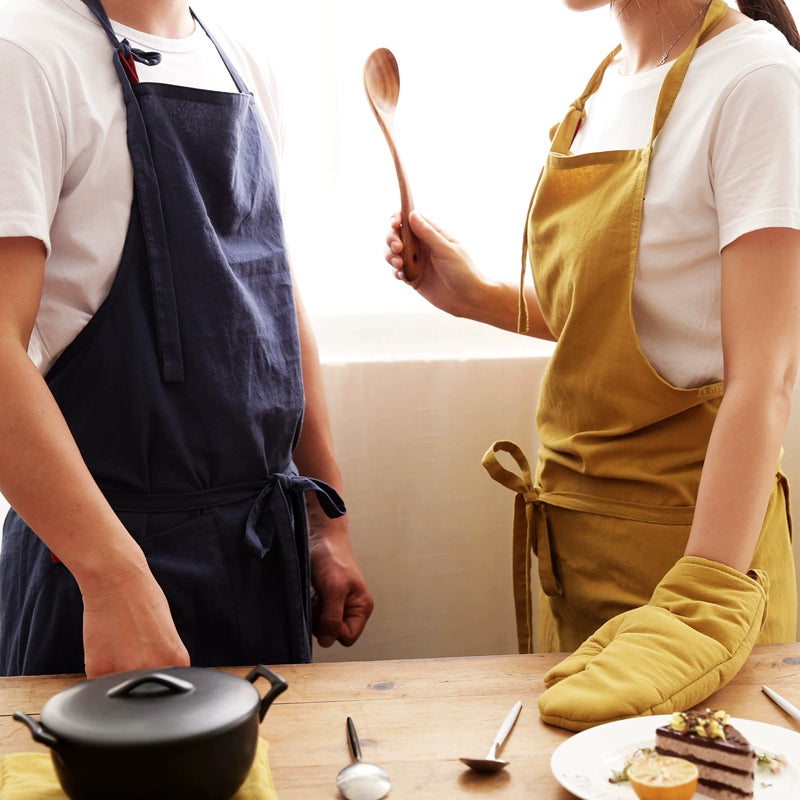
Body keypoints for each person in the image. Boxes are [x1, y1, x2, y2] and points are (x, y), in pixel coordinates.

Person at [386, 0, 800, 729]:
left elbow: (766, 381)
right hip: (575, 556)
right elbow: (642, 316)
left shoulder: (757, 81)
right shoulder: (605, 86)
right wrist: (480, 296)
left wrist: (697, 603)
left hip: (692, 565)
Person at [0, 0, 373, 677]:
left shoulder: (241, 60)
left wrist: (325, 520)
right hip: (96, 569)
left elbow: (276, 297)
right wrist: (111, 575)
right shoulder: (25, 56)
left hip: (259, 563)